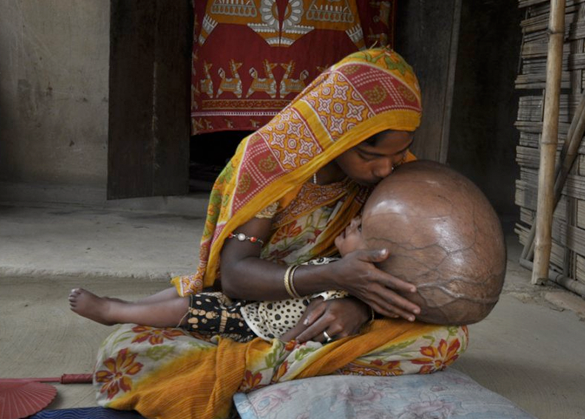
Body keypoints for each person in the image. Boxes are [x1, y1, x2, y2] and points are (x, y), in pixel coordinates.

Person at [91, 48, 469, 419]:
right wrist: (334, 275)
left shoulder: (399, 173)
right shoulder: (270, 161)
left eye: (400, 153)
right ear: (337, 133)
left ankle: (268, 368)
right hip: (250, 307)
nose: (387, 170)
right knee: (130, 352)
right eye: (370, 157)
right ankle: (293, 366)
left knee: (448, 336)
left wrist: (358, 306)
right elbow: (236, 277)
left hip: (337, 306)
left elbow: (409, 269)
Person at [69, 215, 367, 343]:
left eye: (362, 228)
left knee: (190, 309)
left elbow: (305, 328)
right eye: (357, 219)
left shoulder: (342, 293)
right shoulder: (336, 264)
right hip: (256, 303)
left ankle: (115, 312)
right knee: (197, 293)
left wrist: (274, 353)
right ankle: (127, 306)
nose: (351, 222)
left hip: (254, 326)